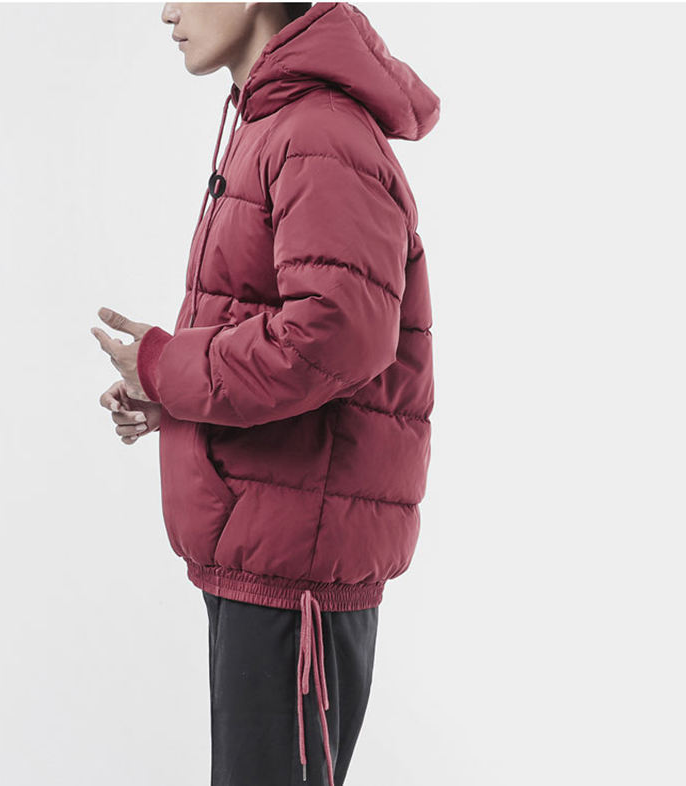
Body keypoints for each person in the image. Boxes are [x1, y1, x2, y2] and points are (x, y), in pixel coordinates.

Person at [90, 3, 440, 784]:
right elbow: (282, 334)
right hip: (268, 554)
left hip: (292, 577)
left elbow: (333, 338)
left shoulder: (317, 133)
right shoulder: (276, 125)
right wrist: (170, 396)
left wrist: (167, 366)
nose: (167, 11)